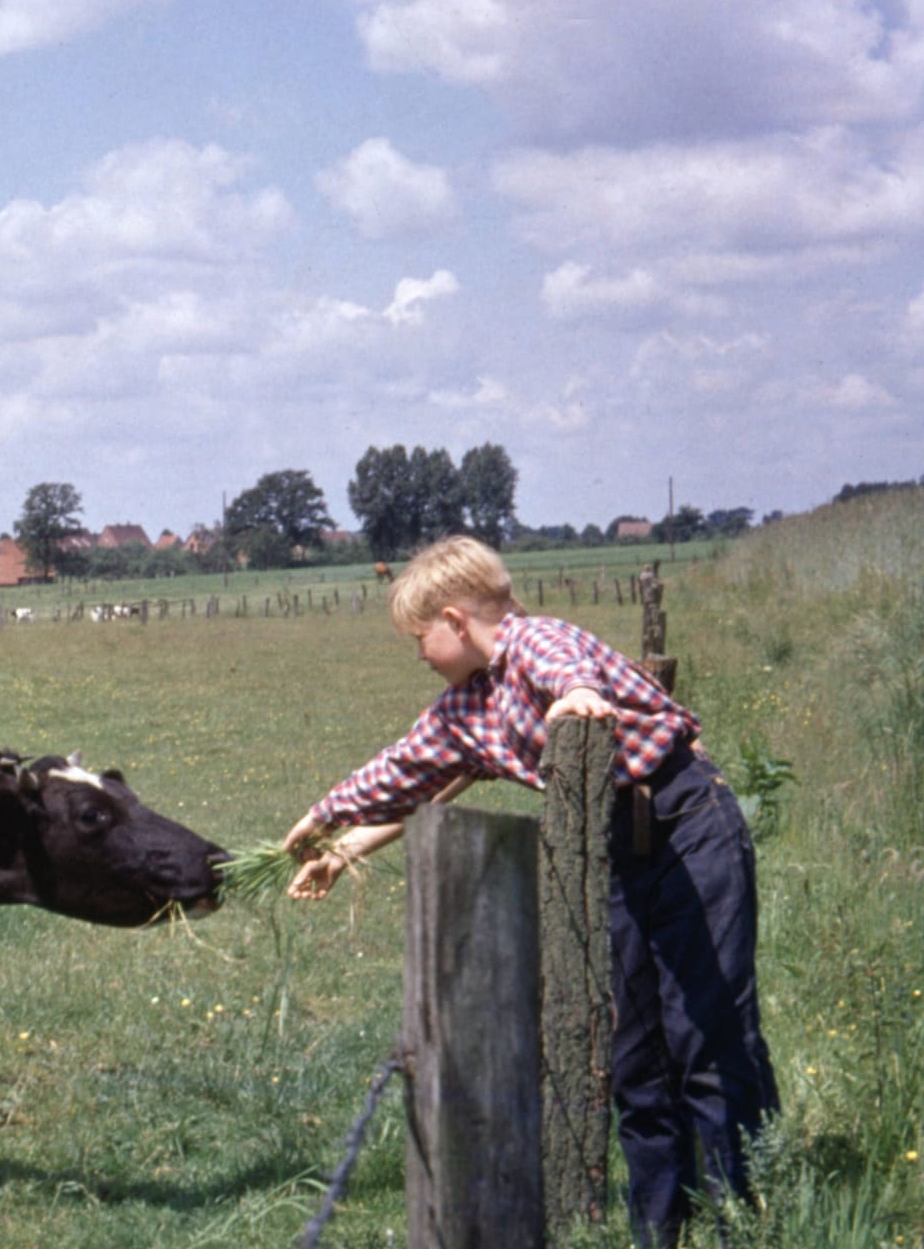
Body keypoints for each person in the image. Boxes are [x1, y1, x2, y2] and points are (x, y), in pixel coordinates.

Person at [281, 535, 778, 1249]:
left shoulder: (539, 643)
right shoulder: (467, 709)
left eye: (421, 638)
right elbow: (402, 769)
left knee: (706, 1034)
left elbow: (567, 671)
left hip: (686, 828)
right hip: (610, 854)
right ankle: (657, 1231)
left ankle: (746, 1220)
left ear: (454, 619)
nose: (418, 654)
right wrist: (329, 820)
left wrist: (578, 697)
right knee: (635, 1055)